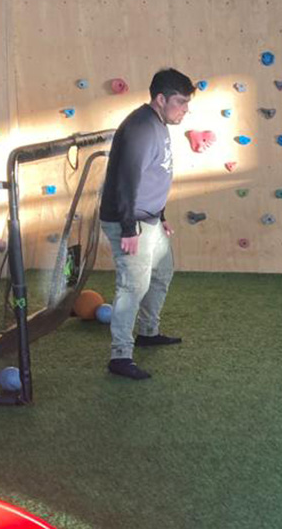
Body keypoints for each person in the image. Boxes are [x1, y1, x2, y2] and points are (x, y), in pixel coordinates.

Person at [99, 68, 194, 380]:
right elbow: (126, 181)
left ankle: (148, 332)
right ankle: (120, 356)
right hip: (131, 222)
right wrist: (128, 228)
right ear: (161, 99)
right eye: (180, 102)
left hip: (149, 219)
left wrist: (160, 216)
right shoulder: (141, 127)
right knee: (132, 286)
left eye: (187, 103)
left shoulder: (158, 124)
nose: (185, 109)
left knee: (162, 272)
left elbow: (155, 175)